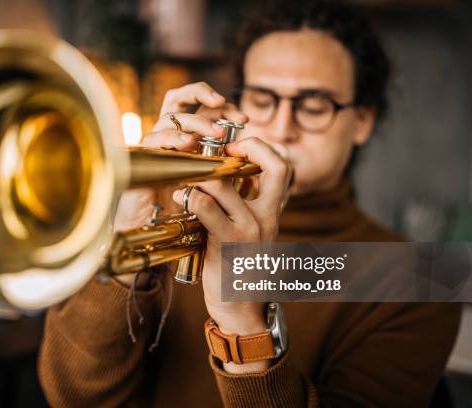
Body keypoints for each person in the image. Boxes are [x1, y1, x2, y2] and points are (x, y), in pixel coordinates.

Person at [39, 1, 461, 406]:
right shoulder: (172, 213)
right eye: (262, 100)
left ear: (362, 121)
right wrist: (127, 251)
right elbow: (74, 397)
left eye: (314, 106)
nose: (281, 127)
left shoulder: (422, 280)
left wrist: (243, 320)